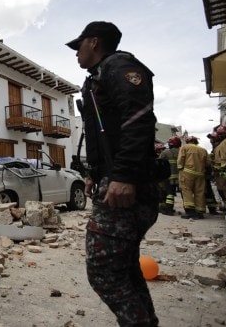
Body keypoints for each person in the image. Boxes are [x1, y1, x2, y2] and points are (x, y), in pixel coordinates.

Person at [66, 21, 159, 326]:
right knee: (126, 269)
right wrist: (95, 173)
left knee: (104, 272)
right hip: (113, 178)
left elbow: (139, 118)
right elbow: (104, 134)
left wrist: (124, 176)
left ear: (93, 42)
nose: (76, 53)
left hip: (126, 183)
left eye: (78, 45)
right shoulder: (97, 78)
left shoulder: (119, 66)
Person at [176, 136, 210, 219]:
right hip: (200, 174)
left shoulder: (184, 147)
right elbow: (208, 163)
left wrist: (180, 168)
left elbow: (181, 159)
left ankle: (190, 212)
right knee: (199, 192)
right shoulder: (203, 150)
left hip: (187, 172)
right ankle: (200, 212)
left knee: (186, 190)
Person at [158, 136, 181, 216]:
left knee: (169, 194)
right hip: (181, 177)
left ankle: (169, 210)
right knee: (185, 194)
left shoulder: (165, 152)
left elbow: (159, 163)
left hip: (169, 177)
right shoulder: (182, 151)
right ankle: (190, 210)